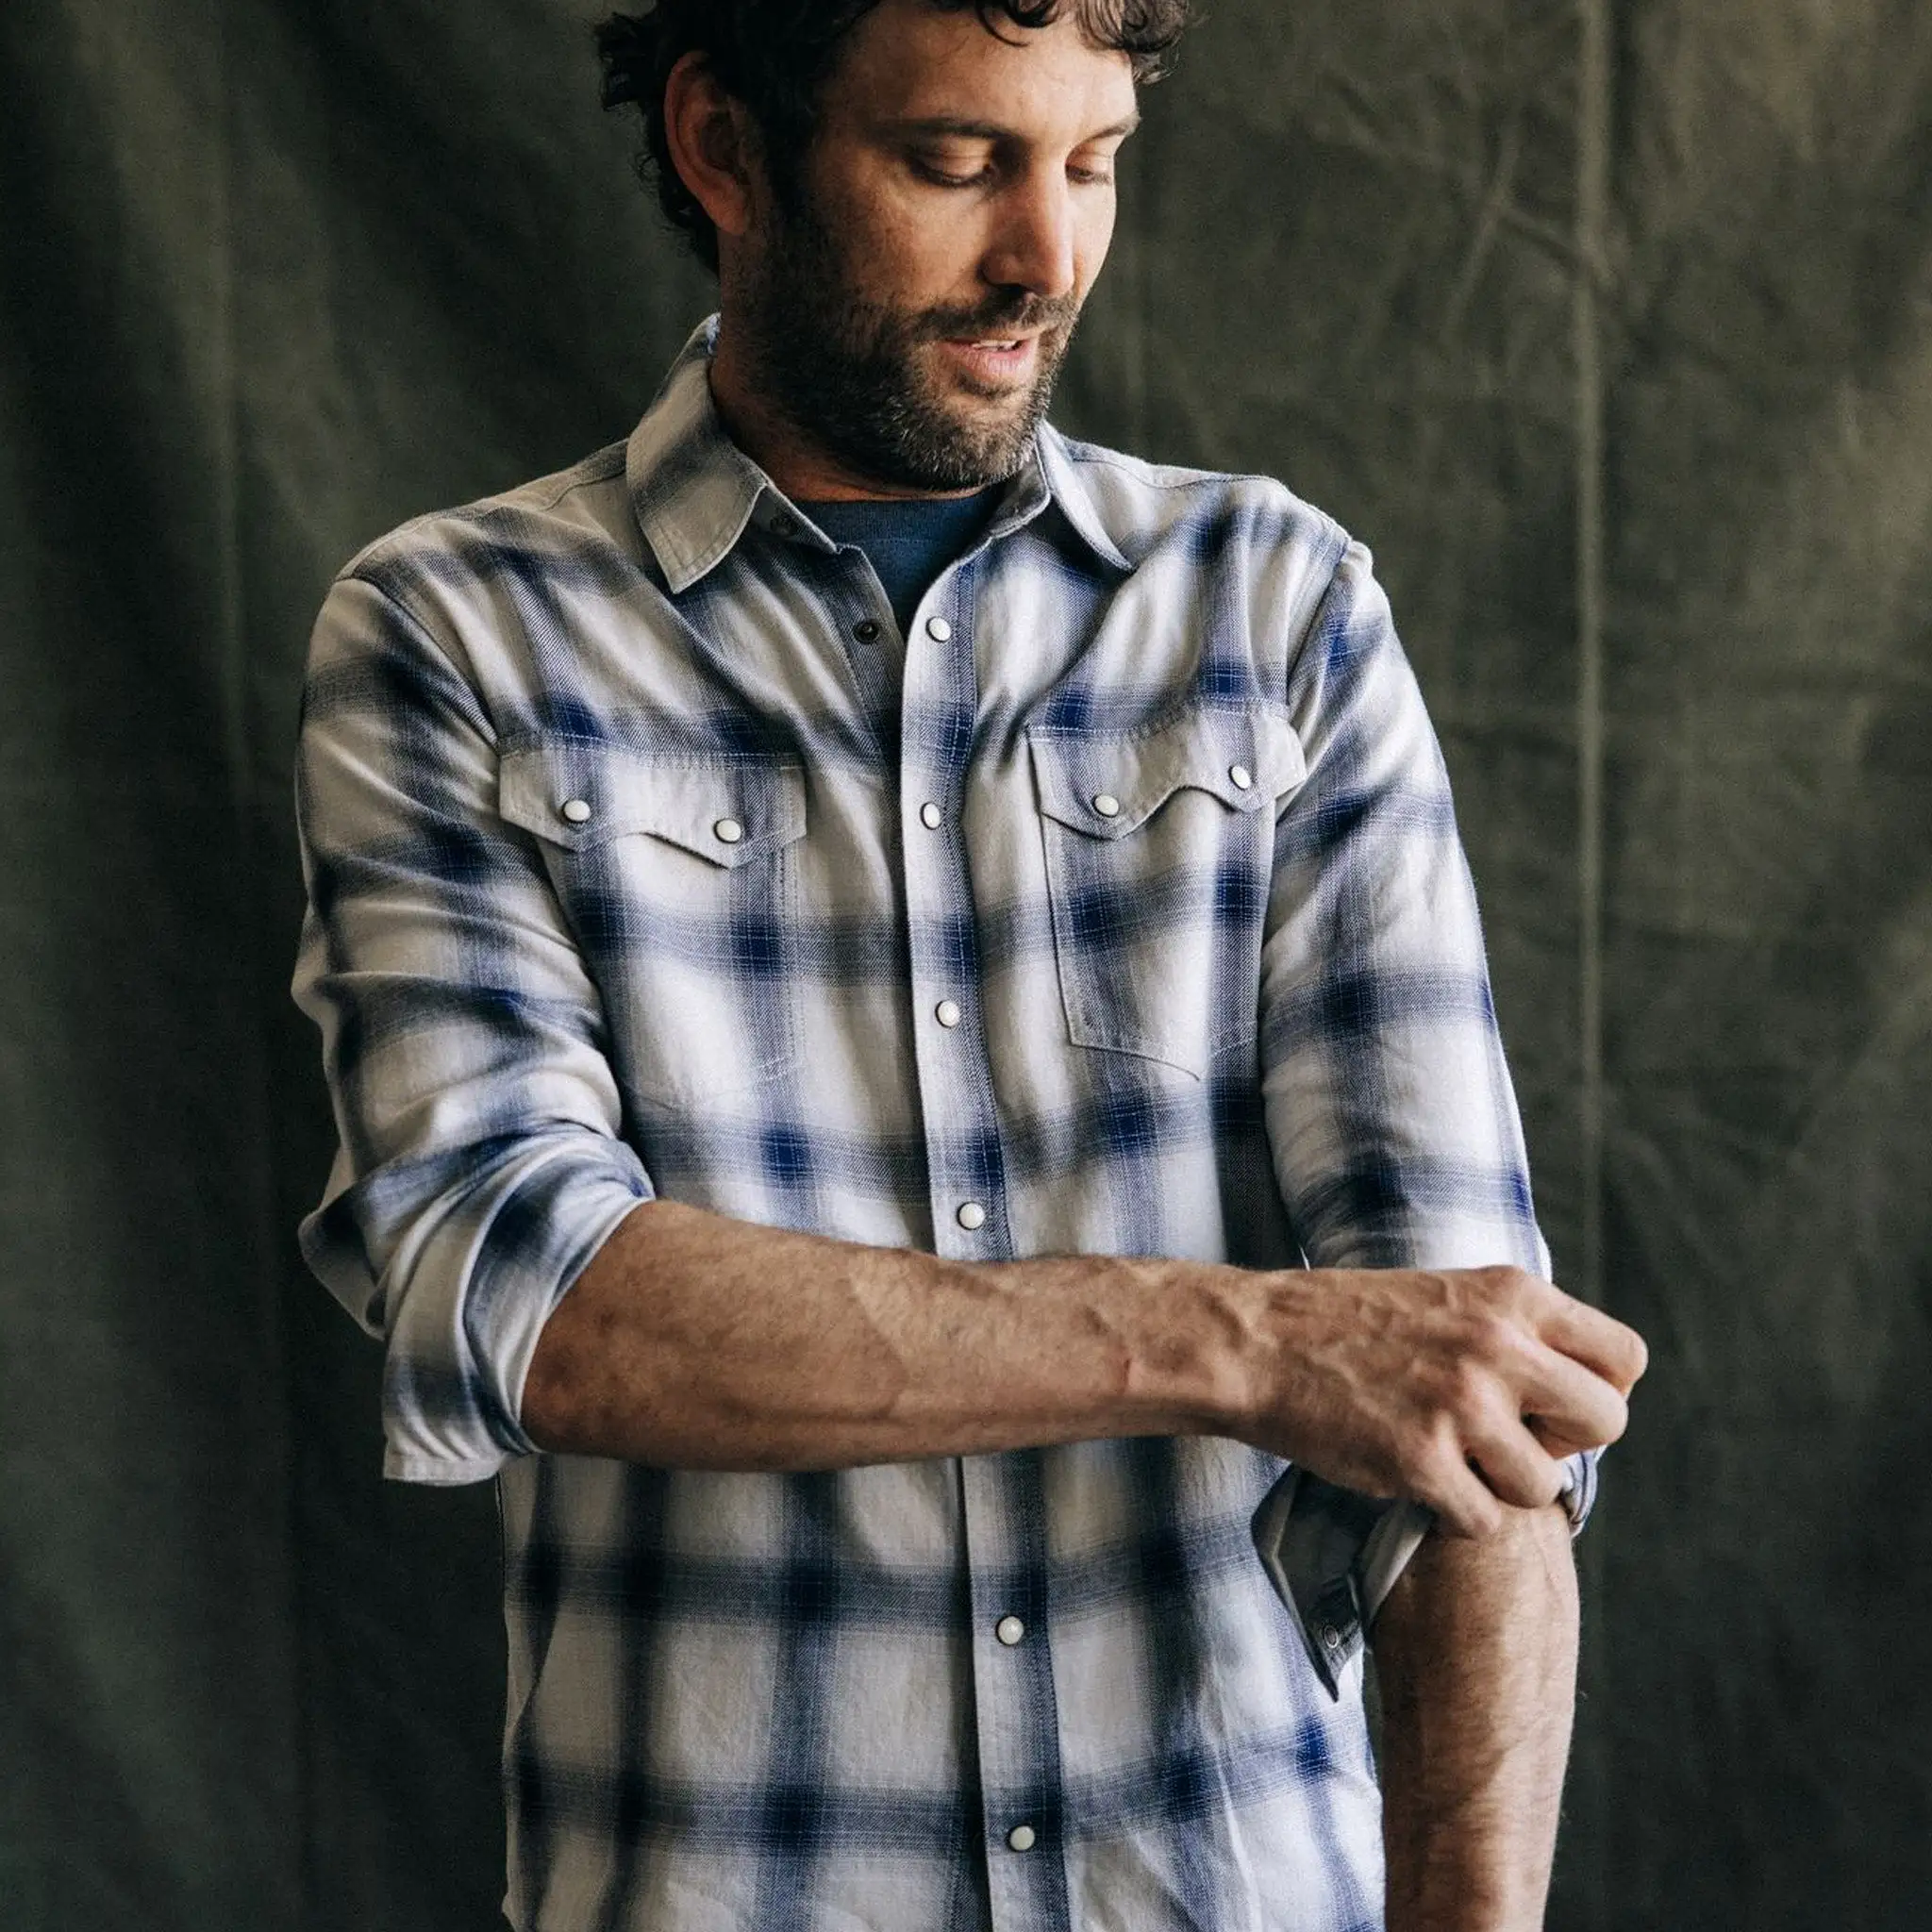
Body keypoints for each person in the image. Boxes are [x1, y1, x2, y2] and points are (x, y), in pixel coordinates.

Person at [291, 2, 1649, 1926]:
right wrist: (1247, 1343)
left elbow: (1469, 1410)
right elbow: (524, 1287)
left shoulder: (1277, 614)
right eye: (956, 163)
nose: (1046, 254)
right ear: (721, 145)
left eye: (1091, 161)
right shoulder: (453, 638)